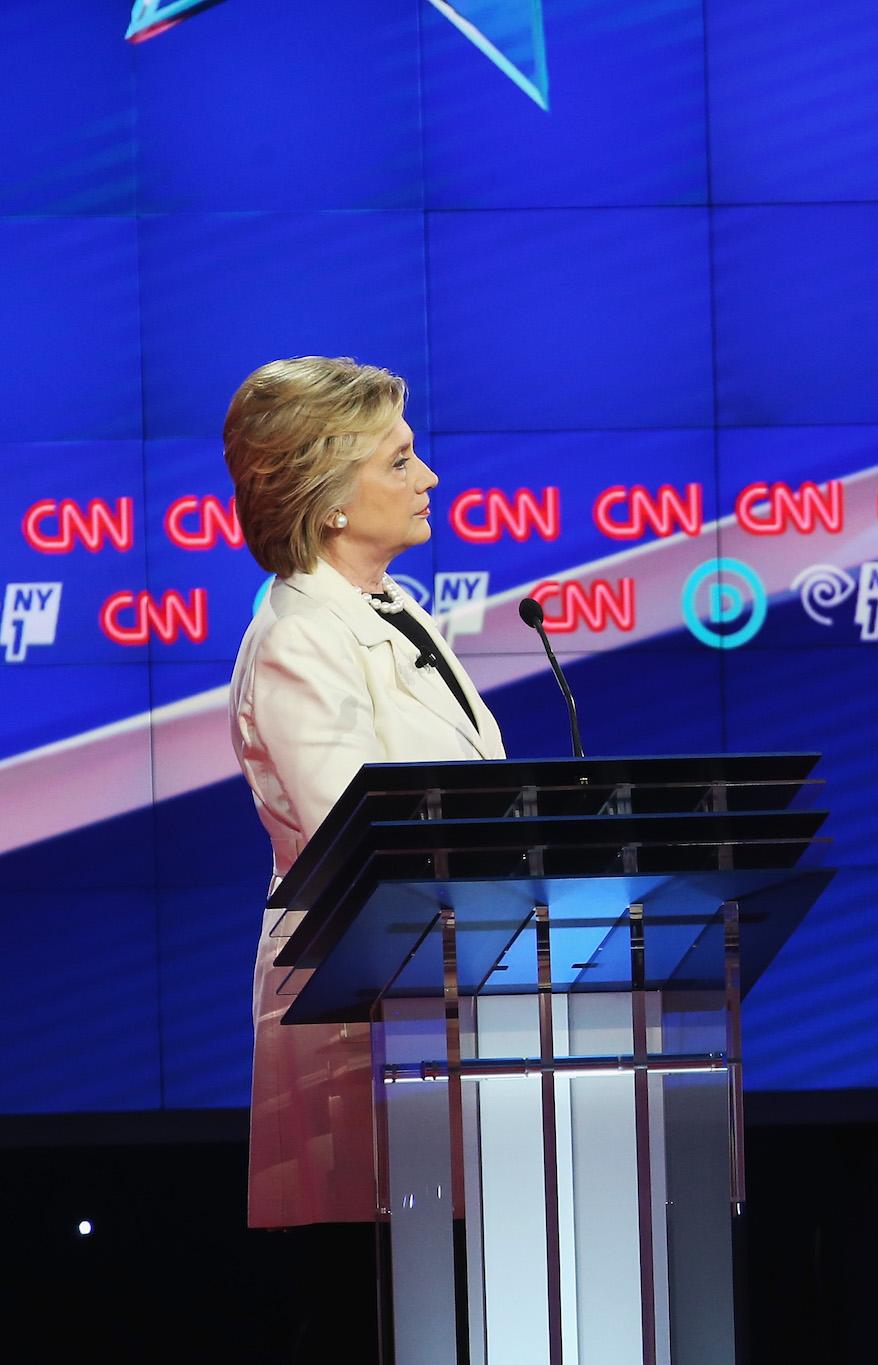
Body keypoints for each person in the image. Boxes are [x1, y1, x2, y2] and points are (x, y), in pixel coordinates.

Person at [225, 356, 506, 1233]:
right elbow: (357, 846)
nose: (428, 478)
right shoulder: (298, 639)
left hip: (442, 993)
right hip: (369, 1018)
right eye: (400, 460)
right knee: (375, 1296)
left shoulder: (392, 608)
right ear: (329, 495)